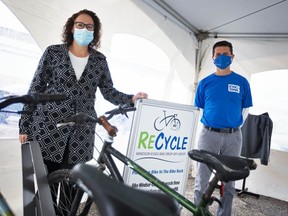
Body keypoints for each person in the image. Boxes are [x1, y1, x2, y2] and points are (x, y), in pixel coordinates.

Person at [18, 9, 148, 175]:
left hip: (81, 133)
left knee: (73, 187)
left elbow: (109, 92)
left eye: (89, 27)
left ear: (94, 32)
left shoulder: (99, 61)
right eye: (80, 25)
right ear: (72, 28)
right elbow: (36, 88)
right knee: (47, 188)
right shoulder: (53, 53)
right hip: (49, 127)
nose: (84, 29)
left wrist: (131, 99)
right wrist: (24, 125)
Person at [193, 40, 253, 216]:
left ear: (232, 57)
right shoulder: (205, 83)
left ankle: (224, 213)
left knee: (229, 180)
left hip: (233, 137)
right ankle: (199, 211)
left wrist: (232, 127)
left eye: (225, 54)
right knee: (202, 177)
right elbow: (201, 109)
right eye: (218, 54)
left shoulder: (242, 82)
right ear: (212, 57)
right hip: (208, 135)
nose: (222, 57)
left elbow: (245, 110)